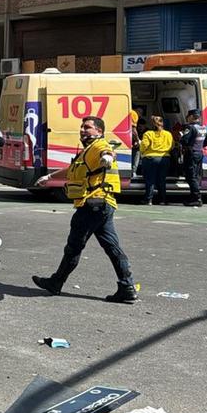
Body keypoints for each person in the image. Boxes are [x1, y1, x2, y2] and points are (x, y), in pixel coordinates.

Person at [32, 116, 137, 304]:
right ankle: (127, 288)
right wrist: (49, 176)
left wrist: (107, 157)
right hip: (103, 205)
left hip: (93, 204)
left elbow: (108, 152)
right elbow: (72, 169)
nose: (82, 130)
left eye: (87, 127)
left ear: (99, 131)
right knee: (112, 248)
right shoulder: (86, 151)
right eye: (82, 127)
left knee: (74, 246)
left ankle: (56, 282)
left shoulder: (99, 146)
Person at [179, 109, 207, 207]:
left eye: (188, 117)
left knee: (190, 177)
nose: (187, 119)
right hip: (199, 153)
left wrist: (181, 138)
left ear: (192, 117)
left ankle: (197, 198)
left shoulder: (190, 128)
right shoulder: (204, 128)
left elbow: (184, 140)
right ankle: (193, 197)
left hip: (191, 154)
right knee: (196, 176)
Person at [139, 115, 173, 205]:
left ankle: (148, 199)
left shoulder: (148, 133)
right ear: (162, 123)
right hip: (164, 158)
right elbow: (172, 146)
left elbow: (144, 145)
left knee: (150, 180)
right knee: (161, 180)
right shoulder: (168, 134)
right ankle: (162, 199)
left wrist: (142, 152)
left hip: (150, 158)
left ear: (151, 124)